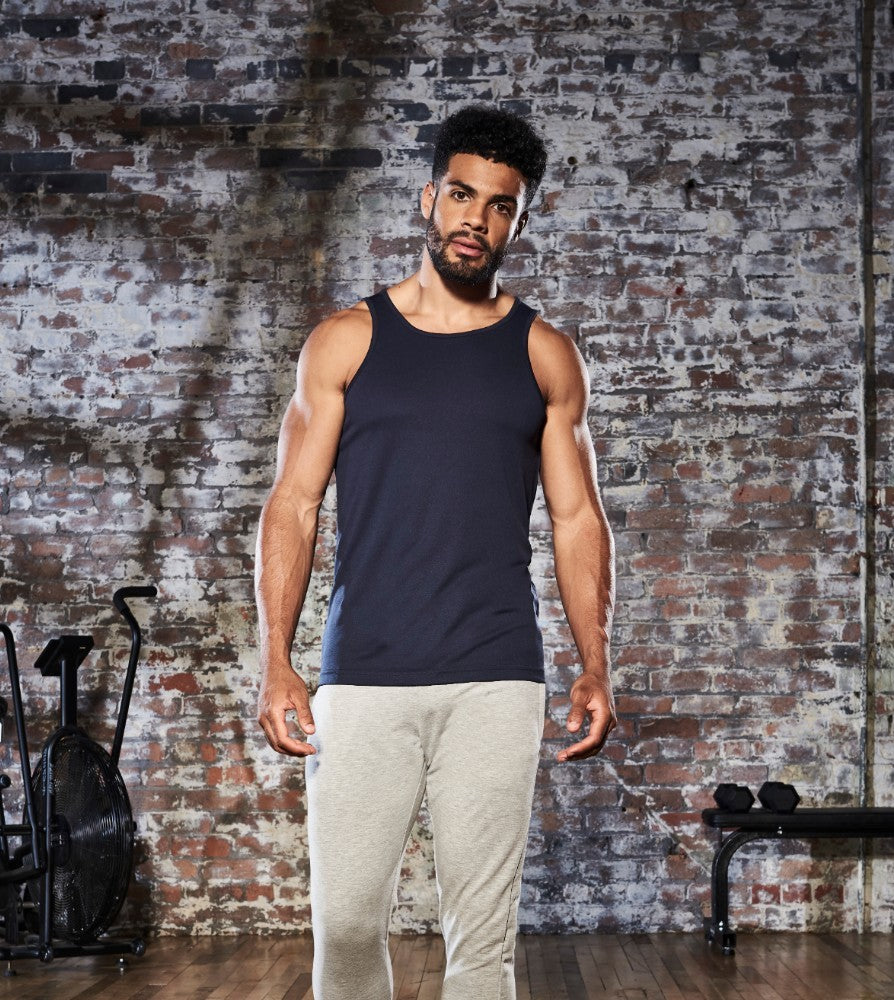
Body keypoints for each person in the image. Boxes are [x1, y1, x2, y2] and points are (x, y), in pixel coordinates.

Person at [255, 104, 616, 1000]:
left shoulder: (545, 355)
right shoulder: (346, 341)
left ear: (517, 221)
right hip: (363, 672)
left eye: (500, 205)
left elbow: (578, 519)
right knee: (345, 927)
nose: (476, 219)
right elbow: (294, 505)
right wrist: (275, 661)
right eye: (462, 195)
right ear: (428, 198)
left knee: (481, 946)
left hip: (495, 674)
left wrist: (595, 663)